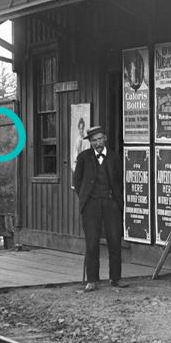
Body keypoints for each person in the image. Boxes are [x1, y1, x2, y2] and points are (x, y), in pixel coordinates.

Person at [71, 125, 126, 291]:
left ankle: (115, 278)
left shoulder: (115, 157)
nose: (97, 143)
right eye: (94, 140)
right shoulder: (83, 158)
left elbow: (120, 180)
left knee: (115, 241)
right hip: (91, 205)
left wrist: (117, 201)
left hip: (111, 204)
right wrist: (85, 199)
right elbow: (77, 182)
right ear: (90, 142)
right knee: (92, 242)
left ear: (105, 139)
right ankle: (92, 280)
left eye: (100, 139)